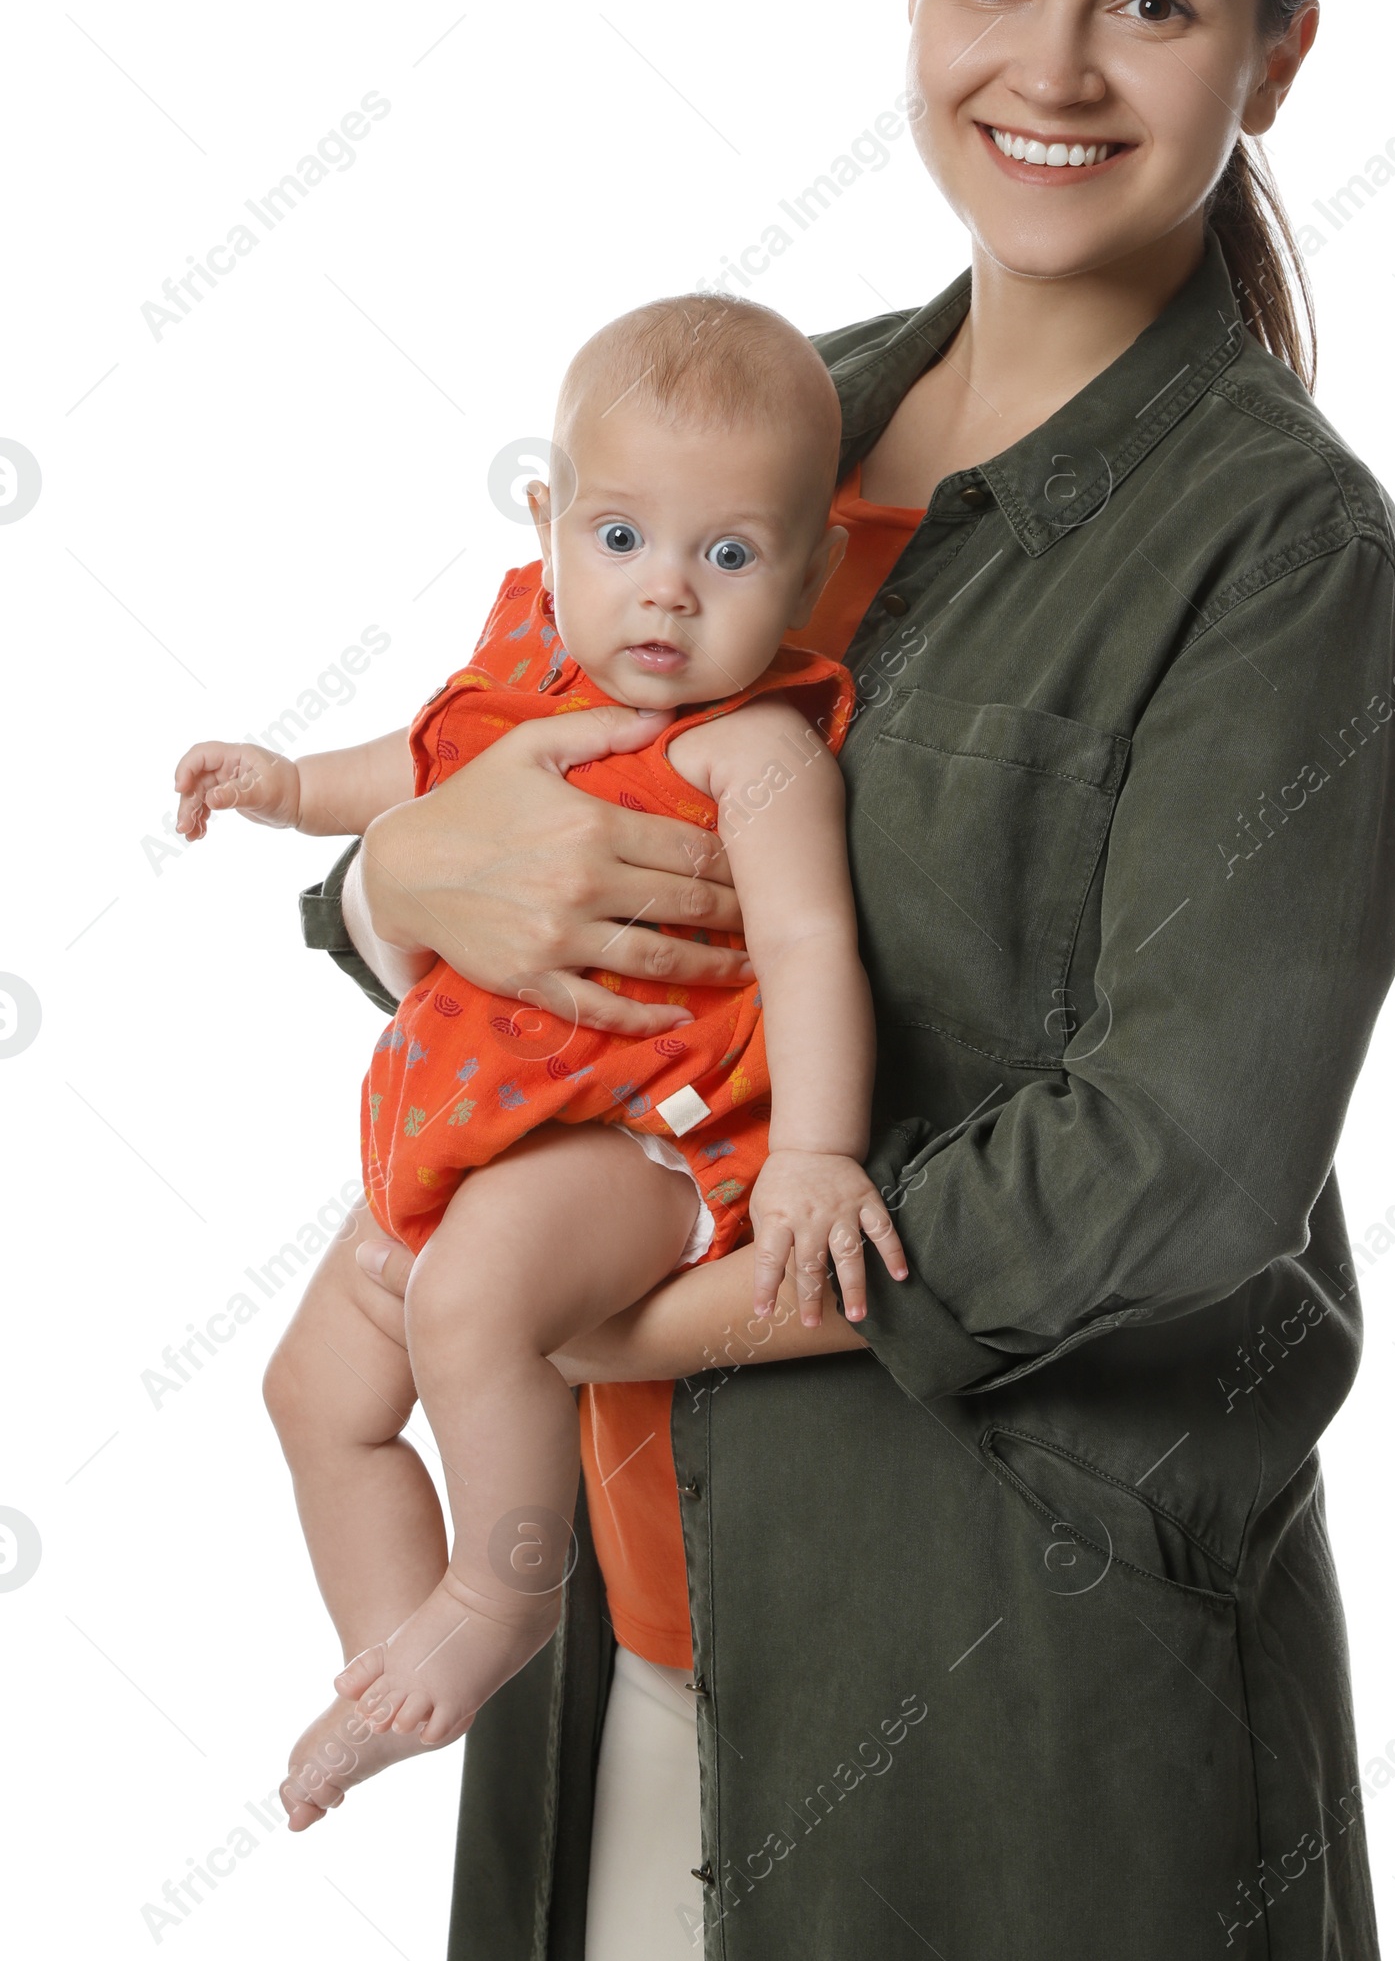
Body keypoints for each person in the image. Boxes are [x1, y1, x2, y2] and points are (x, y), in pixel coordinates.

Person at [298, 0, 1395, 1958]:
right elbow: (497, 782)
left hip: (998, 1687)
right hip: (616, 1638)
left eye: (1154, 4)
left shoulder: (1274, 555)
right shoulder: (758, 425)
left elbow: (1183, 1164)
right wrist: (380, 881)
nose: (1050, 67)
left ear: (1276, 60)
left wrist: (660, 1317)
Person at [172, 297, 906, 1827]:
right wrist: (292, 782)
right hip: (476, 1141)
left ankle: (499, 1598)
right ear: (549, 523)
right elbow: (413, 771)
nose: (664, 599)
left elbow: (810, 956)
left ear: (813, 575)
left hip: (650, 1142)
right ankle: (387, 1661)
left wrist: (822, 1156)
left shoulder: (753, 751)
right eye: (624, 537)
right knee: (313, 1388)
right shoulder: (525, 657)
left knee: (477, 1299)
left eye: (729, 557)